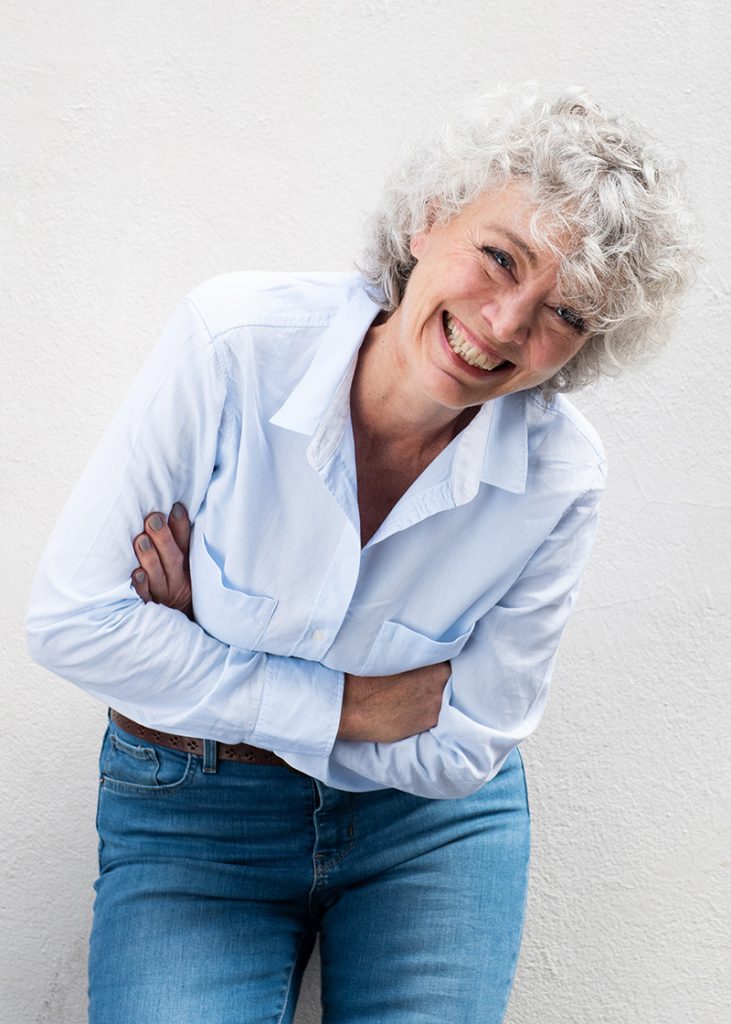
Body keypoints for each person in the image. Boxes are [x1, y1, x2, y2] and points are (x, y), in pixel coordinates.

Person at [26, 86, 694, 1023]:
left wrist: (201, 665)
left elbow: (464, 748)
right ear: (428, 220)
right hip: (193, 810)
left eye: (564, 314)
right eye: (498, 258)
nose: (504, 324)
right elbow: (72, 624)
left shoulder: (560, 477)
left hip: (427, 833)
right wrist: (357, 702)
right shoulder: (236, 347)